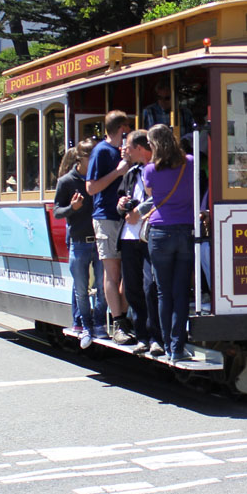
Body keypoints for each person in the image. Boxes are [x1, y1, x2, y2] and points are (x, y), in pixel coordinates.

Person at [143, 124, 196, 363]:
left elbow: (149, 193)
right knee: (181, 291)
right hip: (185, 230)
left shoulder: (150, 169)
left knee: (164, 293)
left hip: (160, 232)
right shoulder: (191, 162)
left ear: (153, 145)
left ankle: (166, 345)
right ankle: (178, 346)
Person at [85, 110, 137, 344]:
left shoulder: (123, 152)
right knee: (112, 272)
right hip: (106, 217)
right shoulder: (101, 152)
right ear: (122, 128)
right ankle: (118, 321)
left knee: (129, 270)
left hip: (126, 217)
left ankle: (125, 317)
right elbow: (91, 188)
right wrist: (118, 172)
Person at [53, 140, 107, 347]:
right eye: (90, 157)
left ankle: (99, 324)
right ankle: (85, 326)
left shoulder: (98, 179)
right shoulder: (67, 181)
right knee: (81, 289)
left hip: (100, 240)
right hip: (79, 241)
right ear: (80, 158)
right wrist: (72, 208)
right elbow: (57, 211)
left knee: (102, 286)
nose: (94, 161)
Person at [116, 129, 164, 356]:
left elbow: (160, 199)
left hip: (148, 236)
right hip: (128, 237)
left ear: (140, 148)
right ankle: (142, 337)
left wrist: (139, 212)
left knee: (149, 287)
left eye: (128, 146)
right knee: (133, 288)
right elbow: (119, 203)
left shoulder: (157, 169)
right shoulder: (132, 172)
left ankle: (156, 337)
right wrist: (123, 204)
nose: (125, 150)